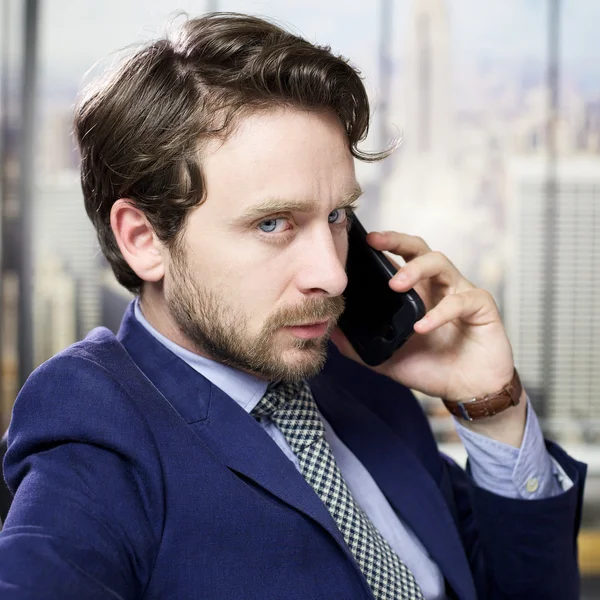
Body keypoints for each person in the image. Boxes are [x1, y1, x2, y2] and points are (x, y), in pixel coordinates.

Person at [0, 13, 585, 600]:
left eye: (335, 216)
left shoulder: (363, 380)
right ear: (144, 238)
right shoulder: (95, 418)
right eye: (273, 223)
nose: (332, 274)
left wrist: (494, 407)